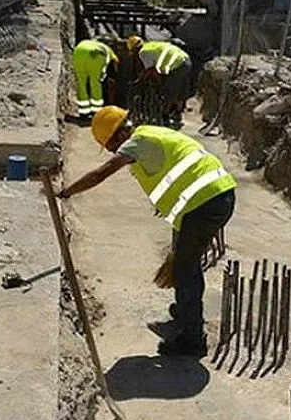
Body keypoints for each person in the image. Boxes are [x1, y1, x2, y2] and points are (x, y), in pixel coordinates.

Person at [57, 106, 237, 357]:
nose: (113, 152)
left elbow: (101, 173)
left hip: (205, 202)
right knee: (183, 260)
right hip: (212, 197)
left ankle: (193, 340)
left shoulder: (137, 143)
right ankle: (186, 313)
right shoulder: (151, 133)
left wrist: (66, 192)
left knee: (186, 268)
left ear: (120, 135)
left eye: (111, 146)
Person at [127, 35, 193, 128]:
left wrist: (157, 82)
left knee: (169, 92)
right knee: (181, 91)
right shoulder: (151, 45)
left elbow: (151, 70)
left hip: (176, 65)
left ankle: (165, 117)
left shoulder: (143, 53)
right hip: (186, 60)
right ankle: (177, 114)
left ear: (134, 49)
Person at [72, 38, 119, 121]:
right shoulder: (109, 51)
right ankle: (96, 112)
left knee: (81, 83)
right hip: (95, 55)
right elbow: (115, 63)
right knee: (95, 83)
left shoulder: (91, 43)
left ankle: (84, 113)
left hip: (78, 52)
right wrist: (114, 75)